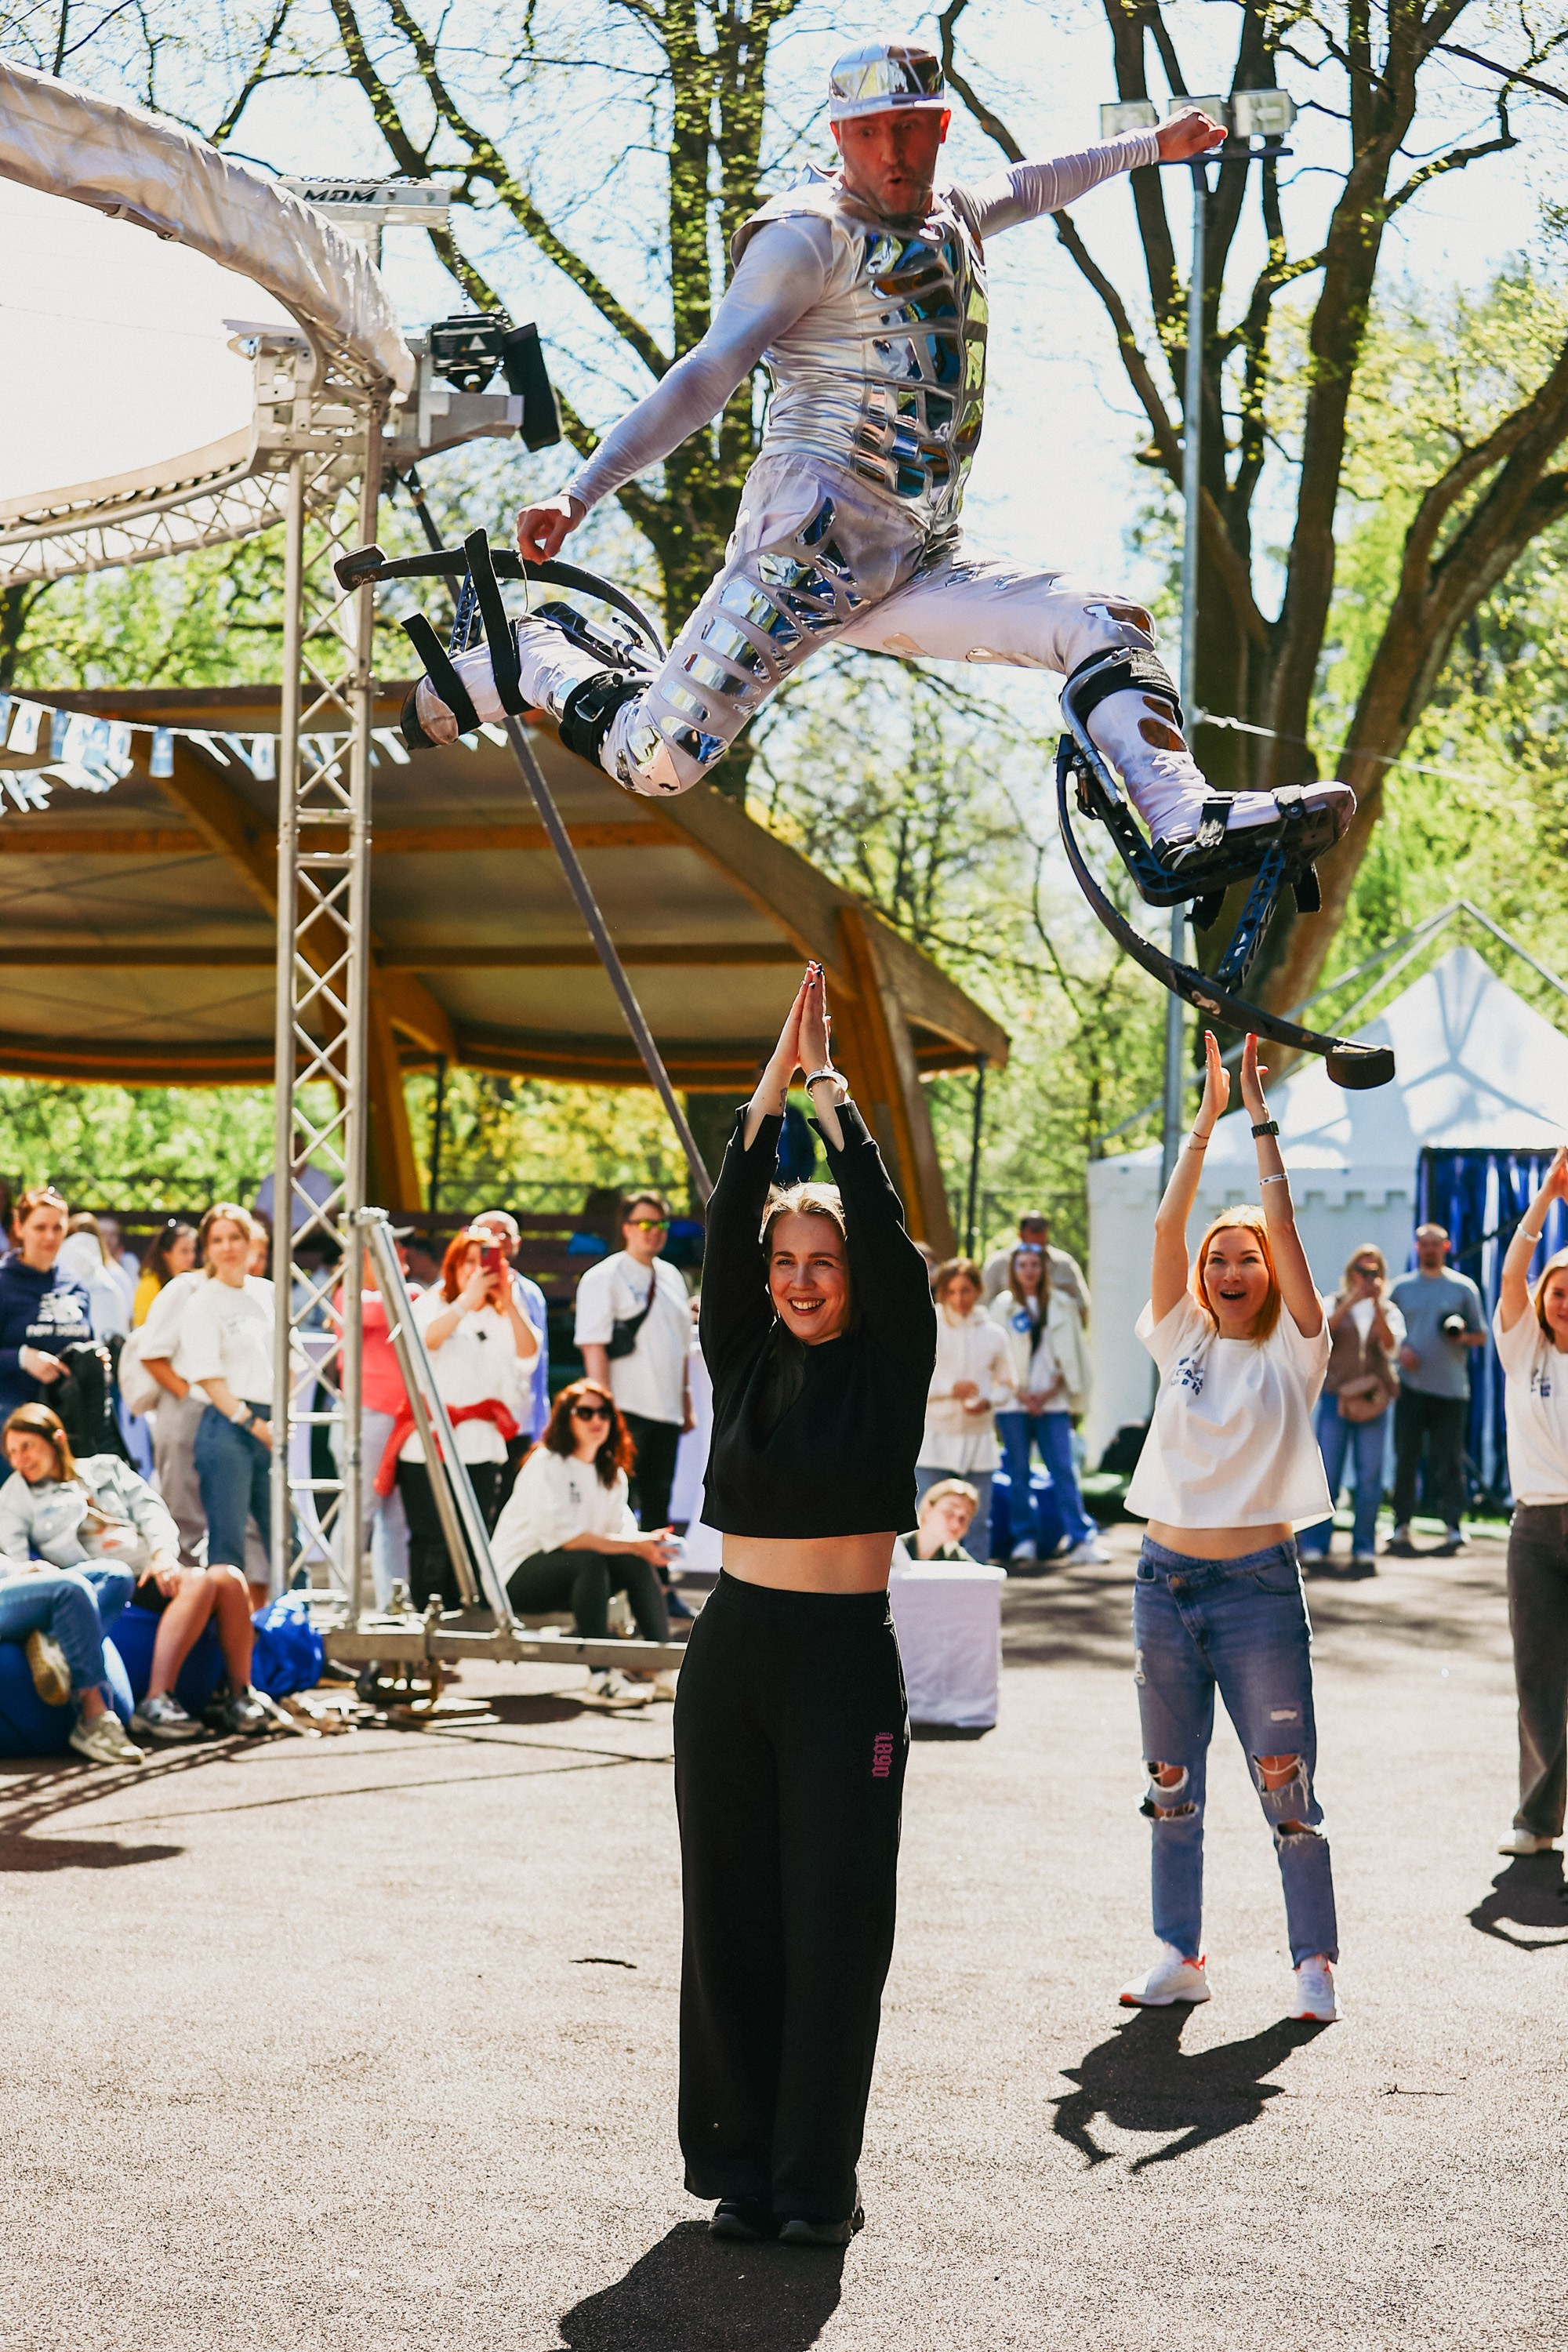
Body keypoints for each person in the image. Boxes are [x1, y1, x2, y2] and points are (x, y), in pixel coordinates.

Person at [405, 45, 1350, 891]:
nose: (891, 156)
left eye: (908, 131)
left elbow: (1035, 182)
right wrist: (580, 491)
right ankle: (535, 657)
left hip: (917, 557)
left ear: (940, 129)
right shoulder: (804, 236)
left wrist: (1151, 145)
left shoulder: (953, 215)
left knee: (1105, 624)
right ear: (837, 137)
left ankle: (1182, 821)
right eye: (868, 135)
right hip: (806, 550)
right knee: (658, 761)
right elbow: (706, 375)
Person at [677, 962, 935, 2248]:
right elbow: (728, 1221)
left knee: (833, 1923)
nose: (799, 1279)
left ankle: (814, 2183)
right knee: (731, 1917)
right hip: (732, 1658)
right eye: (785, 1262)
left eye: (820, 1263)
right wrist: (765, 1096)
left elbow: (887, 1243)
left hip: (842, 1665)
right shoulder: (742, 1352)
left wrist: (830, 1095)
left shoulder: (892, 1362)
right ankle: (740, 2165)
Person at [1120, 1029, 1340, 2026]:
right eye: (1217, 1259)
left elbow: (1283, 1228)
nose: (1227, 1268)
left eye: (1243, 1258)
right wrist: (1200, 1124)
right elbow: (1164, 1227)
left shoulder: (1296, 1349)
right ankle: (1179, 1955)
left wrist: (1256, 1119)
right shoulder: (1181, 1336)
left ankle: (1312, 1963)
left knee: (1284, 1788)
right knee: (1169, 1785)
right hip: (1160, 1580)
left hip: (1255, 1589)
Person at [0, 1403, 265, 1740]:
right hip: (105, 1584)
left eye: (27, 1447)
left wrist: (163, 1555)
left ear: (57, 1439)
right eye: (12, 1452)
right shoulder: (17, 1494)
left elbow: (151, 1510)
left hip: (151, 1569)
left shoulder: (105, 1468)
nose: (20, 1460)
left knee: (228, 1578)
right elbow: (15, 1555)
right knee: (199, 1582)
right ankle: (156, 1700)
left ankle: (240, 1696)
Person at [492, 1378, 673, 1708]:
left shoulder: (612, 1472)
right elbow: (567, 1540)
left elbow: (623, 1535)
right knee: (589, 1559)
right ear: (566, 1419)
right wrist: (637, 1544)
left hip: (581, 1578)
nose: (596, 1420)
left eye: (604, 1413)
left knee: (634, 1560)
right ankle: (601, 1677)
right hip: (514, 1579)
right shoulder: (546, 1463)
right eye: (585, 1413)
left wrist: (652, 1544)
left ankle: (664, 1671)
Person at [389, 1229, 539, 1610]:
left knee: (475, 1533)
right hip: (429, 1442)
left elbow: (529, 1355)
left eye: (485, 1262)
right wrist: (466, 1301)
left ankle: (467, 1609)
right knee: (430, 1535)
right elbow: (426, 1341)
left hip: (481, 1443)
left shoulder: (504, 1313)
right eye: (468, 1262)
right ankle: (427, 1611)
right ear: (454, 1266)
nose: (477, 1270)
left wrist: (508, 1301)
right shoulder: (432, 1303)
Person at [1493, 1150, 1568, 1857]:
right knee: (1539, 1678)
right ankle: (1538, 1821)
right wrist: (1545, 1196)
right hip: (1537, 1529)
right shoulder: (1523, 1350)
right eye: (1558, 1291)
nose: (1564, 1301)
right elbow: (1512, 1273)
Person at [575, 1189, 694, 1612]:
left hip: (666, 1410)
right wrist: (602, 1410)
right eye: (644, 1223)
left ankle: (658, 1593)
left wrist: (685, 1403)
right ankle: (610, 1595)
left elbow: (681, 1347)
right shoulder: (603, 1277)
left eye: (660, 1224)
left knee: (659, 1504)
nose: (653, 1232)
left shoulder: (672, 1277)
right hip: (623, 1410)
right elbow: (593, 1345)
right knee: (617, 1504)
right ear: (626, 1228)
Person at [180, 1203, 278, 1609]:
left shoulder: (268, 1293)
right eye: (217, 1240)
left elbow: (288, 1362)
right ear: (206, 1248)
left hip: (271, 1421)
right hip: (227, 1426)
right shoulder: (202, 1301)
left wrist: (278, 1419)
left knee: (285, 1535)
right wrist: (252, 1423)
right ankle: (225, 1639)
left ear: (250, 1241)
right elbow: (208, 1378)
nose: (227, 1247)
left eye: (235, 1237)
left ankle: (297, 1630)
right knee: (229, 1542)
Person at [988, 1242, 1104, 1566]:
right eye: (1022, 1265)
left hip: (1053, 1402)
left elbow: (1075, 1353)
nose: (1028, 1271)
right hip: (1014, 1403)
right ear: (1013, 1270)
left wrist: (1053, 1391)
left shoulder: (1061, 1304)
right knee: (1018, 1471)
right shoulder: (1003, 1306)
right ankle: (1024, 1538)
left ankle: (1080, 1539)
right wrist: (1021, 1394)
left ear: (1044, 1270)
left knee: (1063, 1469)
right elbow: (995, 1356)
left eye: (1034, 1265)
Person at [1298, 1246, 1403, 1575]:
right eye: (1362, 1271)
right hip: (1336, 1397)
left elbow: (1391, 1348)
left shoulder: (1389, 1310)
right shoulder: (1333, 1302)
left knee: (1370, 1475)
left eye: (1374, 1273)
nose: (1368, 1278)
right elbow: (1321, 1336)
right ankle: (1315, 1544)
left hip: (1373, 1398)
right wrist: (1352, 1301)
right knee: (1327, 1471)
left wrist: (1377, 1307)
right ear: (1350, 1272)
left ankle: (1364, 1546)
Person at [1388, 1222, 1486, 1557]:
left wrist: (1462, 1336)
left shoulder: (1463, 1288)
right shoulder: (1400, 1289)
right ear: (1417, 1248)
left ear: (1446, 1247)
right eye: (1424, 1244)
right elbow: (1383, 1332)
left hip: (1451, 1390)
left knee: (1449, 1460)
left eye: (1436, 1244)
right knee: (1406, 1456)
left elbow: (1481, 1335)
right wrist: (1400, 1350)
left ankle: (1454, 1525)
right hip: (1409, 1388)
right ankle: (1401, 1524)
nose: (1429, 1249)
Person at [138, 1213, 222, 1566]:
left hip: (217, 1411)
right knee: (182, 1512)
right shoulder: (177, 1288)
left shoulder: (240, 1291)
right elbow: (150, 1353)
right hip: (182, 1407)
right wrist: (191, 1395)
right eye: (217, 1241)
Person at [915, 1258, 1010, 1559]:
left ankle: (977, 1580)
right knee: (926, 1518)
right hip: (934, 1440)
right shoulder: (927, 1326)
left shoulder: (994, 1334)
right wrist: (949, 1390)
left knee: (977, 1521)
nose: (959, 1298)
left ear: (978, 1290)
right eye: (952, 1291)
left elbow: (1008, 1385)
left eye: (966, 1290)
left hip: (978, 1442)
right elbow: (911, 1382)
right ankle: (920, 1579)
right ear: (942, 1292)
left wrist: (988, 1400)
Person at [0, 1185, 93, 1422]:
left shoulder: (75, 1284)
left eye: (57, 1228)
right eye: (40, 1227)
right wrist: (23, 1358)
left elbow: (87, 1338)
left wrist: (95, 1357)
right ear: (19, 1227)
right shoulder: (4, 1282)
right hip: (15, 1423)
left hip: (69, 1418)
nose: (50, 1237)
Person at [981, 1210, 1088, 1314]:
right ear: (1020, 1235)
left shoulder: (1064, 1264)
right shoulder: (999, 1263)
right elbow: (982, 1305)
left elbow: (1082, 1306)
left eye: (1040, 1246)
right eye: (1022, 1265)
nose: (1029, 1270)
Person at [132, 1219, 197, 1327]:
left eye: (193, 1250)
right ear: (166, 1254)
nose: (191, 1257)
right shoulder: (149, 1285)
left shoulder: (195, 1282)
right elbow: (143, 1328)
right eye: (184, 1251)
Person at [902, 1476, 981, 1563]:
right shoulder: (896, 1545)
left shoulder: (955, 1558)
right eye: (949, 1512)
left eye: (963, 1518)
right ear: (928, 1509)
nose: (956, 1524)